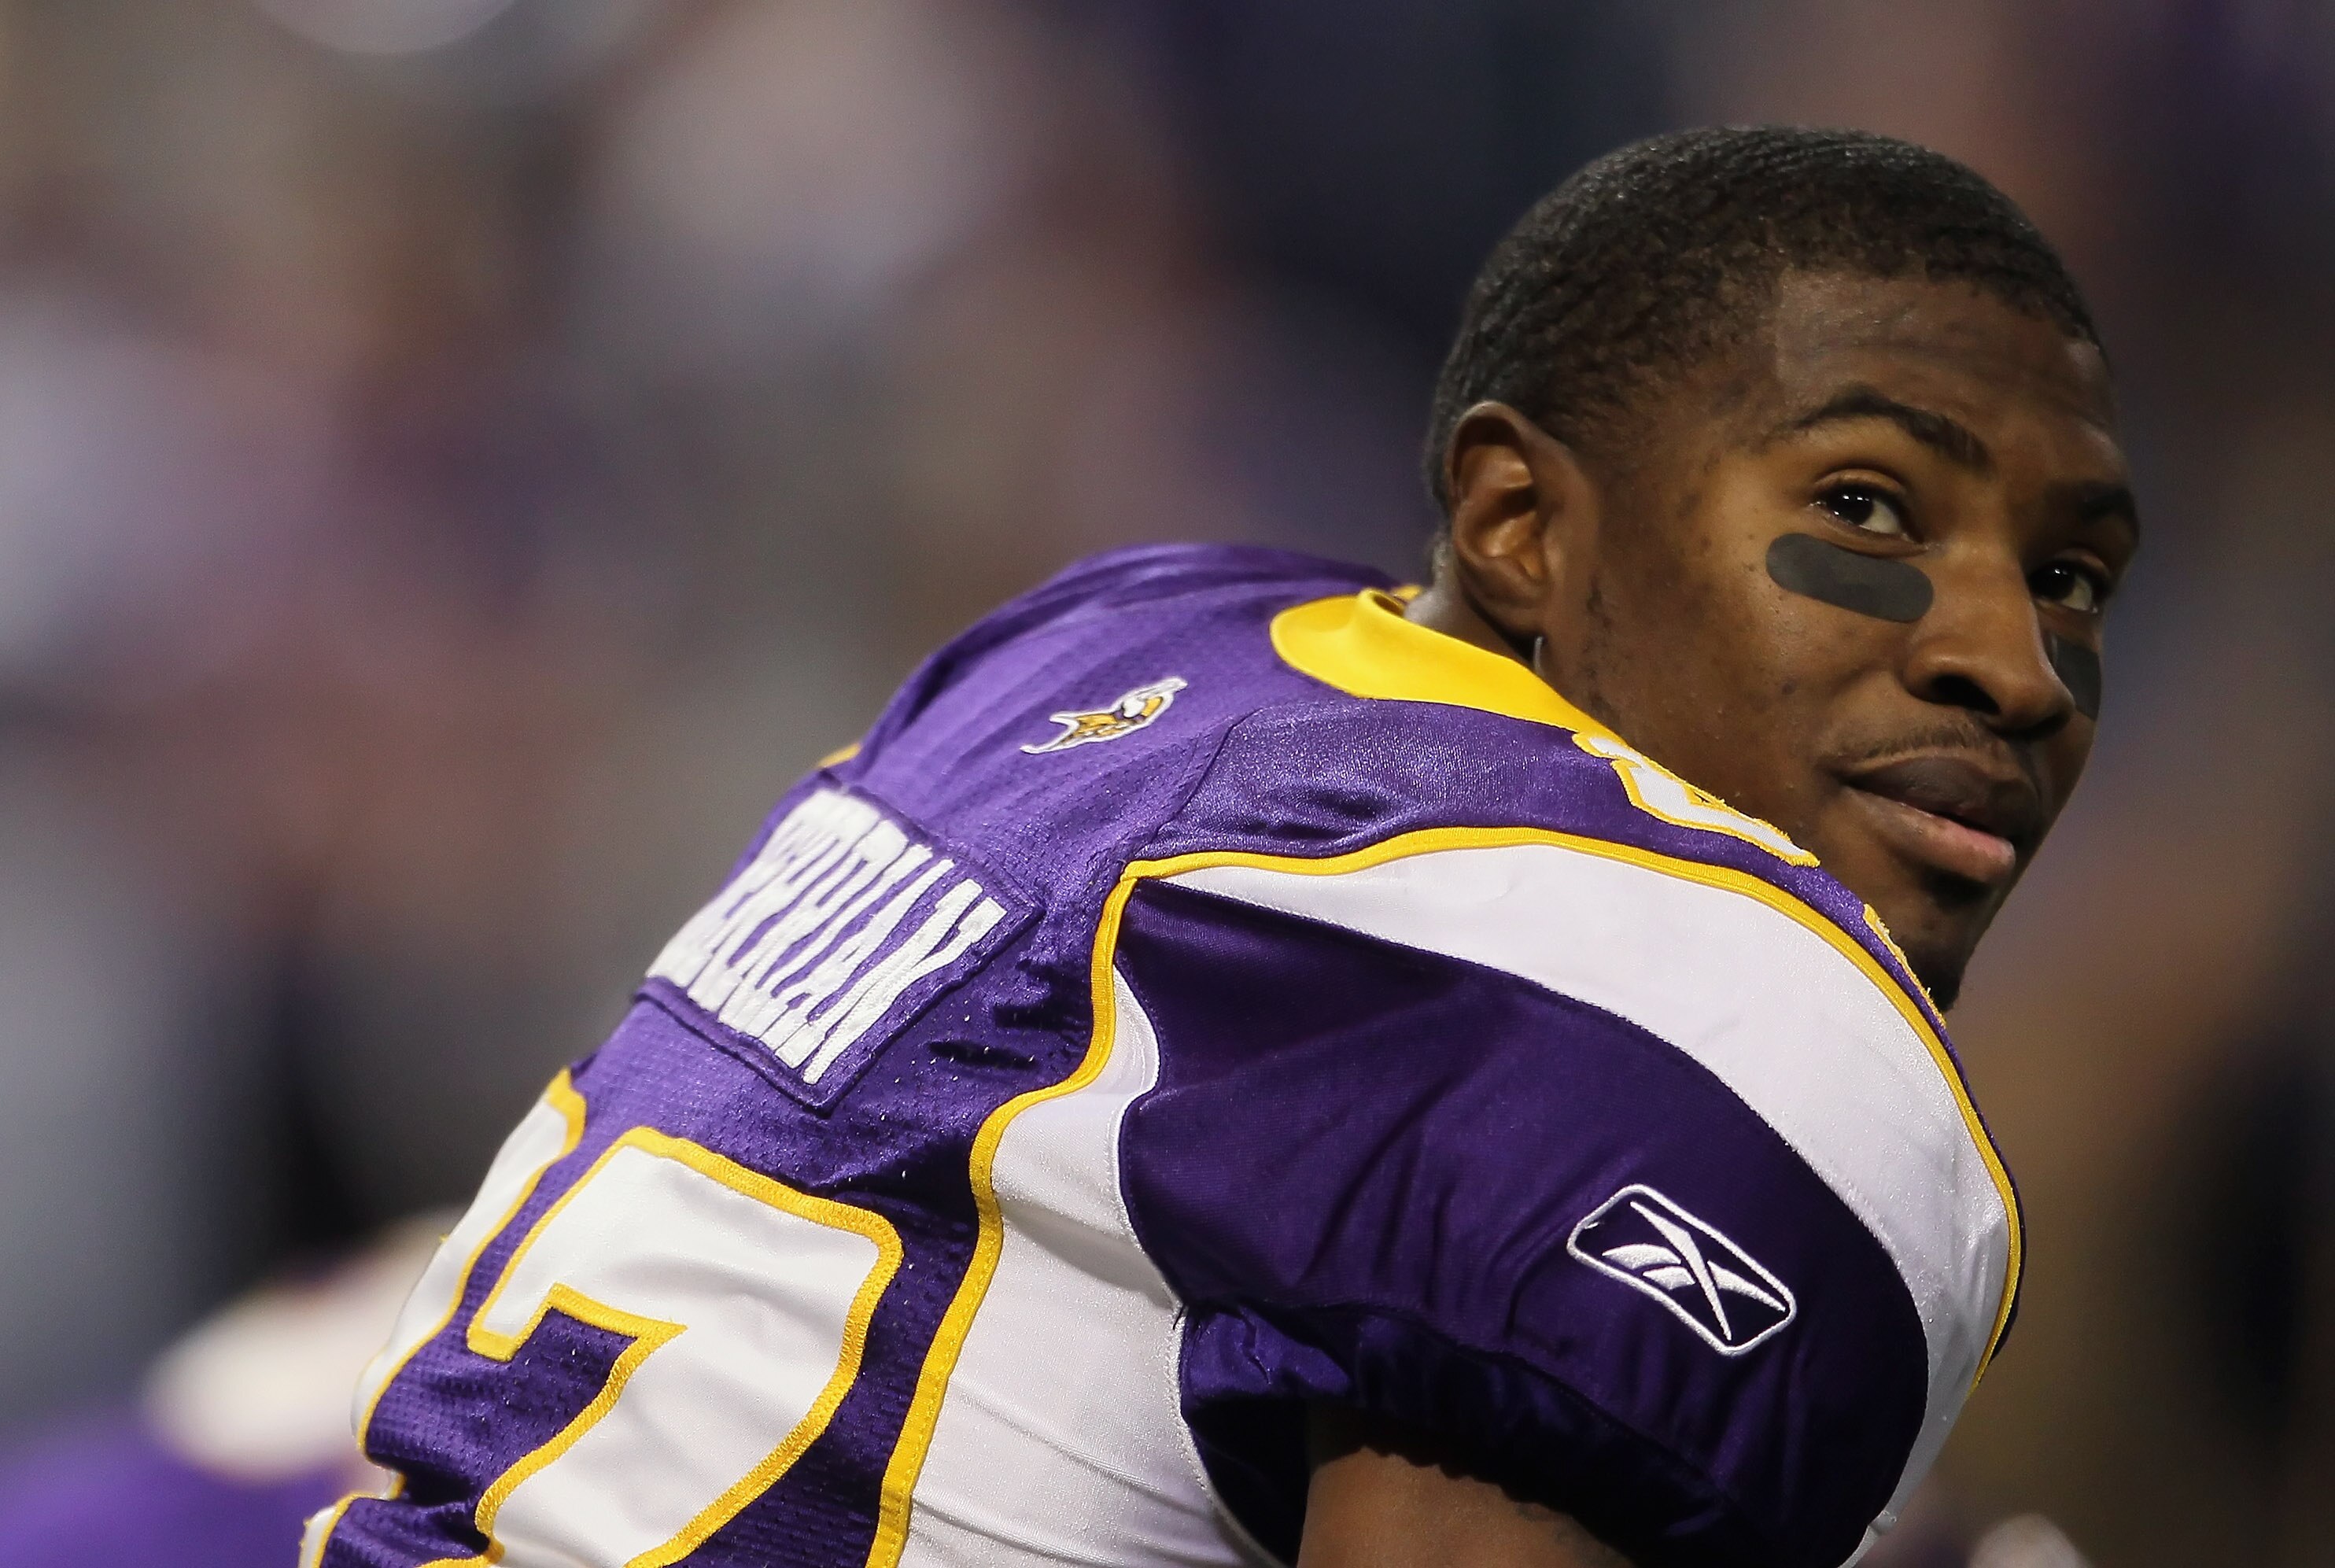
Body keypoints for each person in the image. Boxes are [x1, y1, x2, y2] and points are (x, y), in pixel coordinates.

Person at [308, 126, 2137, 1568]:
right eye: (1865, 508)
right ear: (1518, 522)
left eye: (2071, 577)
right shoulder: (1705, 988)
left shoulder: (1118, 644)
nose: (2019, 664)